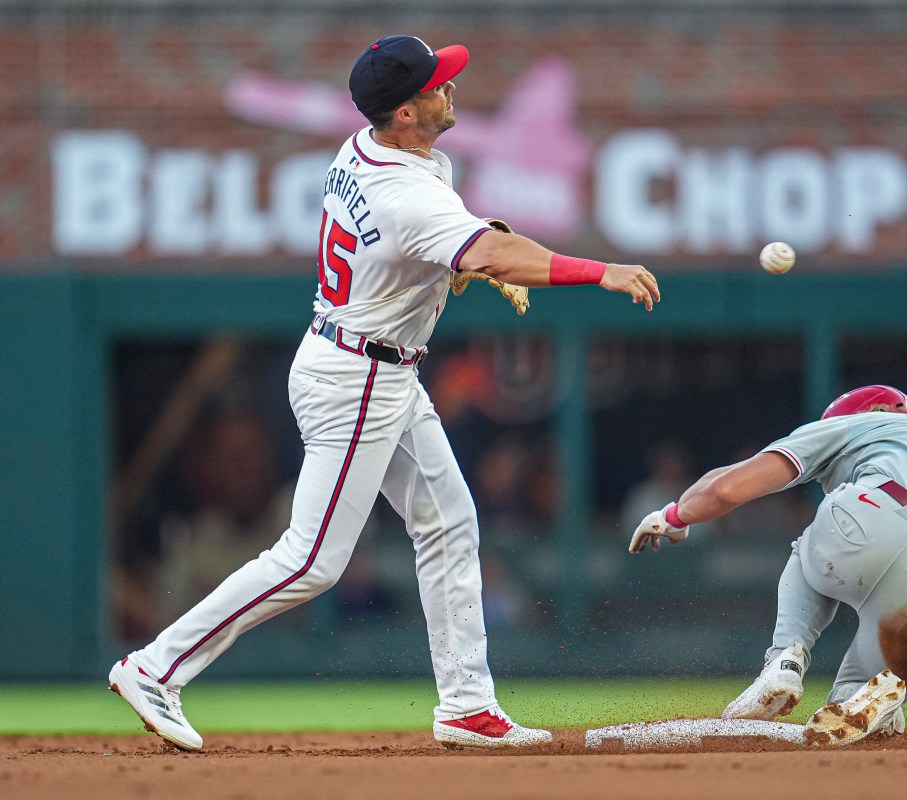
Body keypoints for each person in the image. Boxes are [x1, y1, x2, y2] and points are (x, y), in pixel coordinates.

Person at [108, 33, 661, 752]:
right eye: (436, 84)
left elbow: (452, 245)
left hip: (372, 364)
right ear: (402, 111)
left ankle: (466, 704)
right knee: (311, 560)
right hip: (358, 377)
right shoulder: (404, 189)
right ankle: (157, 666)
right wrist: (597, 271)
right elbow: (478, 247)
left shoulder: (371, 150)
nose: (450, 87)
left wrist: (477, 257)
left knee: (449, 524)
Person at [629, 385, 907, 745]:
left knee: (807, 550)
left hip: (872, 516)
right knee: (852, 717)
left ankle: (785, 661)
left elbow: (729, 486)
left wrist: (675, 516)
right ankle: (871, 700)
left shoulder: (861, 425)